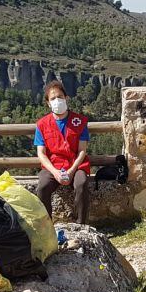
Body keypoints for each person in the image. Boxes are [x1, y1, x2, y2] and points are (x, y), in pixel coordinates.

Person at [34, 81, 91, 224]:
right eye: (53, 98)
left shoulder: (79, 121)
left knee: (82, 183)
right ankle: (47, 226)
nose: (57, 100)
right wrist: (55, 172)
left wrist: (72, 171)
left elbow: (82, 150)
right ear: (48, 103)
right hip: (53, 165)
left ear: (66, 98)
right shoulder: (42, 124)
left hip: (76, 164)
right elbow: (41, 153)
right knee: (43, 187)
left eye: (60, 96)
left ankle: (81, 224)